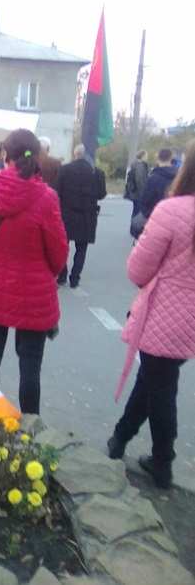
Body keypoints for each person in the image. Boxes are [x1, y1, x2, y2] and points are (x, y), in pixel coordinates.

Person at [108, 139, 195, 489]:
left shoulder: (173, 211)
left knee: (160, 387)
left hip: (166, 311)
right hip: (188, 319)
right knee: (154, 378)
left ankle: (162, 463)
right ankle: (120, 437)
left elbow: (138, 269)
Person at [0, 129, 68, 415]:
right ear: (37, 154)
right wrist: (49, 271)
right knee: (30, 367)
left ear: (5, 154)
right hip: (34, 290)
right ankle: (31, 428)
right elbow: (58, 250)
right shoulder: (46, 197)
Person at [56, 144, 106, 288]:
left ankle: (62, 275)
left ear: (75, 154)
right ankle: (75, 278)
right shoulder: (97, 172)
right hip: (87, 216)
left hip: (66, 214)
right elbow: (101, 194)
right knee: (81, 248)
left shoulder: (64, 170)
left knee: (62, 246)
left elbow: (57, 191)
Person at [140, 148, 178, 219]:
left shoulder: (153, 178)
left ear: (158, 159)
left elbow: (145, 201)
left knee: (135, 223)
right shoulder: (179, 177)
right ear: (171, 158)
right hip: (173, 217)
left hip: (155, 216)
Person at [124, 150, 149, 220]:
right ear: (143, 156)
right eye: (146, 156)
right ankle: (135, 225)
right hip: (139, 193)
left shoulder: (135, 164)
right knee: (138, 212)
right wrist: (143, 193)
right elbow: (139, 180)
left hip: (134, 192)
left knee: (135, 210)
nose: (147, 157)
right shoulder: (140, 166)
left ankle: (134, 223)